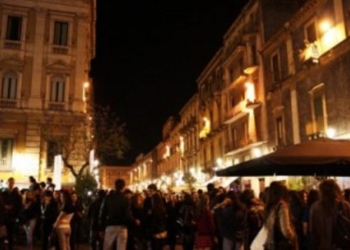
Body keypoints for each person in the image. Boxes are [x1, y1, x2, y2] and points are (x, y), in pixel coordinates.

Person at [310, 179, 350, 250]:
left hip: (321, 246)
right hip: (341, 245)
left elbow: (313, 230)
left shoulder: (315, 207)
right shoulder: (345, 205)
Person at [99, 178, 133, 250]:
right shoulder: (125, 199)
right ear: (123, 187)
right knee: (121, 247)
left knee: (107, 247)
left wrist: (101, 228)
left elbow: (102, 213)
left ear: (115, 186)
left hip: (110, 225)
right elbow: (128, 214)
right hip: (122, 226)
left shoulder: (108, 198)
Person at [263, 181, 297, 250]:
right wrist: (293, 236)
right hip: (282, 246)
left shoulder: (270, 207)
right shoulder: (282, 206)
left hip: (271, 245)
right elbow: (286, 231)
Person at [3, 177, 23, 250]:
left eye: (12, 182)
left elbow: (19, 205)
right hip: (4, 216)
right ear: (7, 183)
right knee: (3, 233)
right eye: (9, 182)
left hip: (12, 216)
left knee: (11, 233)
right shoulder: (3, 193)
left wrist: (16, 214)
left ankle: (10, 247)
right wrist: (5, 206)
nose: (11, 184)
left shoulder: (17, 194)